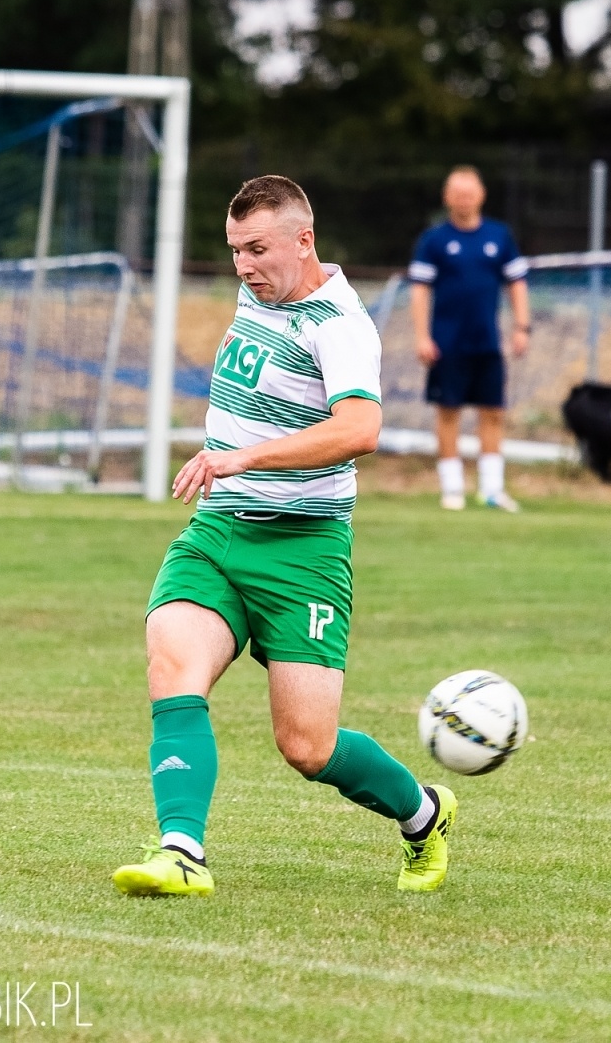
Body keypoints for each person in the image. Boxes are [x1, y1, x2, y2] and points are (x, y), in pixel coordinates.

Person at [113, 176, 456, 898]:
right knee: (173, 668)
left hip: (305, 552)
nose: (243, 266)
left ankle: (423, 814)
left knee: (307, 747)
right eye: (235, 250)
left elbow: (360, 429)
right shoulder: (261, 291)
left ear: (305, 241)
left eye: (258, 249)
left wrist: (243, 457)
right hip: (217, 533)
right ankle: (181, 852)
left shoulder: (340, 324)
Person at [408, 165, 532, 512]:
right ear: (447, 198)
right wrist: (422, 336)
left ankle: (492, 489)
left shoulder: (499, 236)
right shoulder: (434, 240)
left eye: (469, 193)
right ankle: (453, 489)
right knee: (448, 413)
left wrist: (522, 327)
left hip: (487, 342)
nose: (464, 200)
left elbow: (517, 282)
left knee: (493, 412)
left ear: (481, 195)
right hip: (447, 344)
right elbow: (419, 291)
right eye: (457, 194)